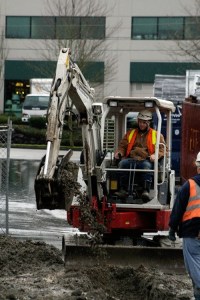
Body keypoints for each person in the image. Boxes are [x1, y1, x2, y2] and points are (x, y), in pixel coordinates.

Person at [114, 109, 166, 202]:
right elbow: (122, 146)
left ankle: (145, 190)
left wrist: (155, 155)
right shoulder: (130, 133)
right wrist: (119, 153)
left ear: (149, 123)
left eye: (144, 122)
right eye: (140, 122)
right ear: (138, 121)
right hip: (131, 158)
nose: (142, 124)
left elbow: (163, 150)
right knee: (122, 164)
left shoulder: (157, 135)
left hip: (146, 159)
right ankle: (123, 189)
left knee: (146, 166)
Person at [168, 152, 200, 300]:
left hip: (192, 232)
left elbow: (178, 209)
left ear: (197, 166)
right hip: (192, 232)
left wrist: (172, 228)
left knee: (194, 267)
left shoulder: (190, 185)